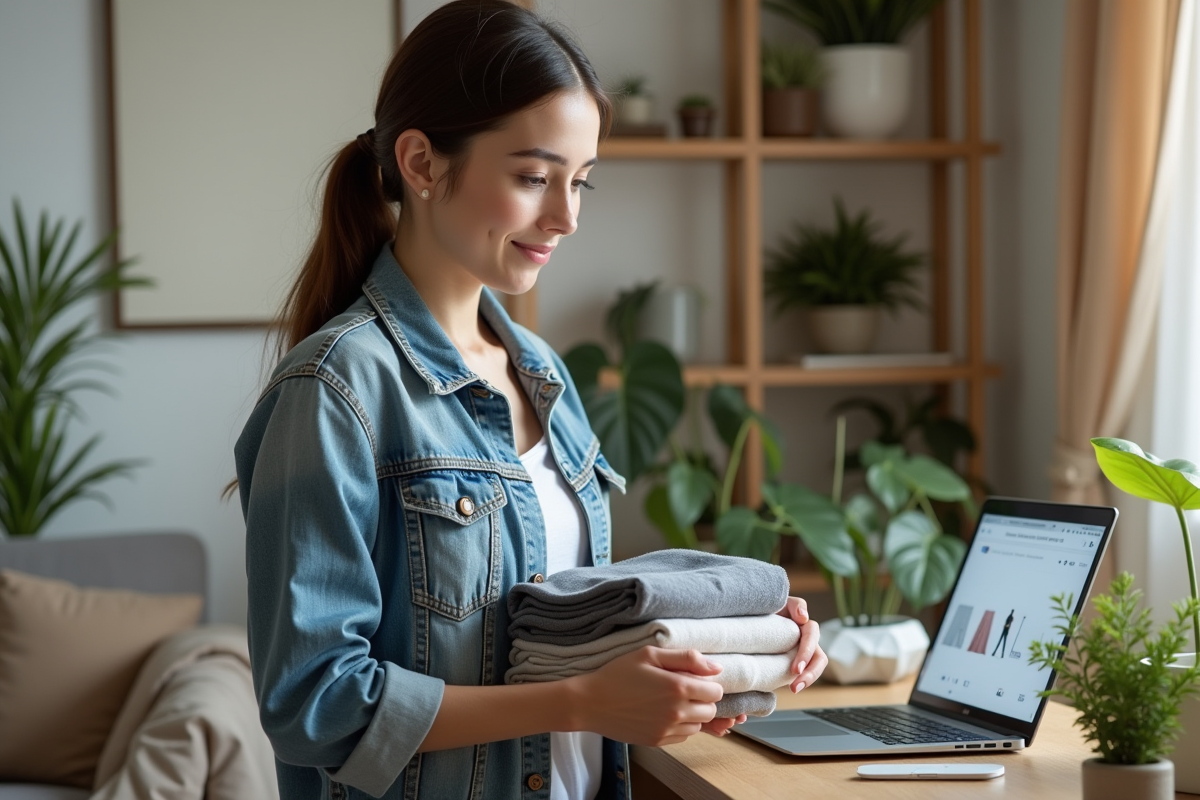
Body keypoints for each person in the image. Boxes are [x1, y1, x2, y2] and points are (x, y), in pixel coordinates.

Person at [233, 2, 827, 798]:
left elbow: (563, 626)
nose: (566, 216)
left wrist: (727, 649)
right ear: (421, 163)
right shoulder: (334, 390)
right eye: (533, 178)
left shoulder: (540, 370)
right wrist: (581, 701)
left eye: (580, 182)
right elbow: (317, 705)